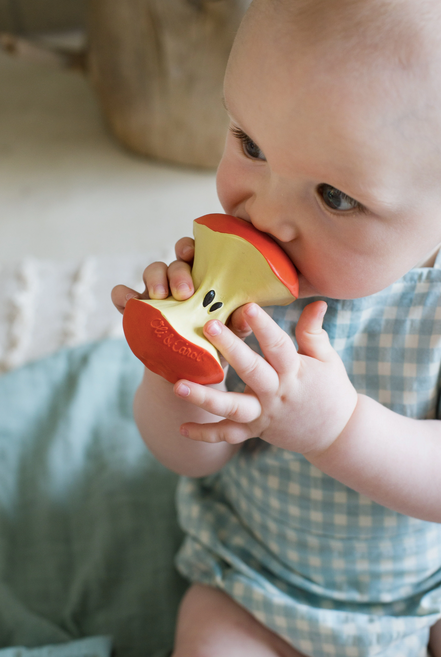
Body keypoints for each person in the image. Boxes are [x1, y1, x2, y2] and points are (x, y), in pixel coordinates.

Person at [112, 0, 441, 654]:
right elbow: (187, 456)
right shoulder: (229, 292)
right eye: (250, 144)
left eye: (335, 196)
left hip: (421, 587)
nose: (263, 213)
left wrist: (338, 429)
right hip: (254, 577)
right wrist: (176, 369)